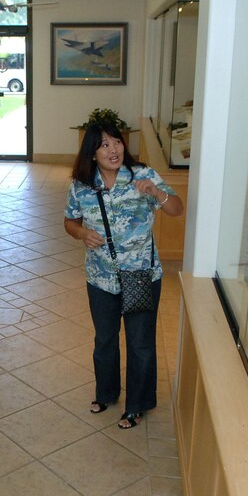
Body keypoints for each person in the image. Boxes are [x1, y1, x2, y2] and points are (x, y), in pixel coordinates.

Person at [64, 123, 183, 430]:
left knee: (140, 342)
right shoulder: (81, 185)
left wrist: (156, 192)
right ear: (92, 153)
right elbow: (69, 221)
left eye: (116, 142)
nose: (113, 149)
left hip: (141, 275)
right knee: (104, 339)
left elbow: (176, 209)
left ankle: (137, 405)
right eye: (104, 145)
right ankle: (106, 394)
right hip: (100, 277)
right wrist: (81, 233)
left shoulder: (143, 174)